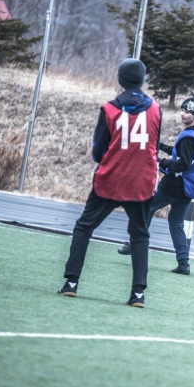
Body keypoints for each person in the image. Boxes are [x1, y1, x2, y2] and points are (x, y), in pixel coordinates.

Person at [58, 58, 161, 308]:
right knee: (140, 235)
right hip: (140, 182)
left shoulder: (109, 109)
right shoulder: (156, 110)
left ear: (120, 80)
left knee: (84, 227)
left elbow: (98, 151)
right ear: (142, 80)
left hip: (111, 179)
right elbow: (154, 147)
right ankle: (138, 293)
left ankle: (71, 282)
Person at [117, 97, 194, 276]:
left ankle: (135, 244)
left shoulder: (190, 137)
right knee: (175, 222)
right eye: (182, 110)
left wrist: (159, 162)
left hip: (174, 185)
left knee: (146, 208)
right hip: (187, 188)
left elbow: (183, 164)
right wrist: (158, 146)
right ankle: (183, 263)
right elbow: (179, 153)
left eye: (187, 111)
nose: (183, 114)